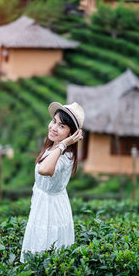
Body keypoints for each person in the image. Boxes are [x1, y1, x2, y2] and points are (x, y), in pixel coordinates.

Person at [20, 101, 85, 263]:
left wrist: (64, 144)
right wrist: (61, 144)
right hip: (43, 206)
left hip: (51, 211)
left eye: (62, 126)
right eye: (54, 121)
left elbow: (44, 170)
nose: (54, 127)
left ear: (72, 134)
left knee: (46, 255)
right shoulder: (55, 148)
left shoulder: (65, 155)